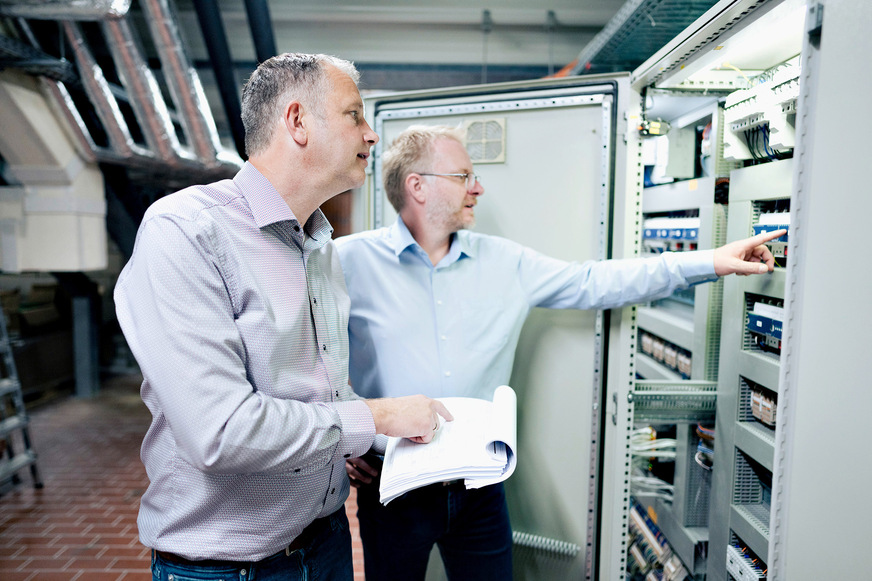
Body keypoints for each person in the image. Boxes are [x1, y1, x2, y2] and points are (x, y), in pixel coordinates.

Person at [334, 124, 787, 580]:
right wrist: (350, 440)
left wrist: (711, 261)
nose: (478, 187)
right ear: (418, 186)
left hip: (479, 486)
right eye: (463, 176)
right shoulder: (347, 262)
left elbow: (595, 281)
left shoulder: (505, 262)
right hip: (393, 487)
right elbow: (311, 366)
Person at [114, 55, 452, 581]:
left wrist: (362, 443)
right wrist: (377, 418)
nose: (371, 134)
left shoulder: (318, 244)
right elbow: (221, 432)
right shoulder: (186, 232)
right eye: (354, 115)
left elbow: (317, 393)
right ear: (297, 121)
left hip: (326, 543)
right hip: (230, 568)